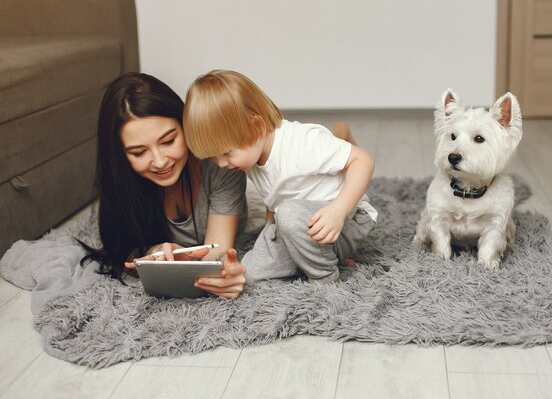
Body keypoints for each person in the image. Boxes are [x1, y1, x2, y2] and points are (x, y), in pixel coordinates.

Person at [183, 70, 377, 285]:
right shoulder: (252, 158)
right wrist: (269, 237)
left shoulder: (302, 142)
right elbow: (275, 197)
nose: (221, 164)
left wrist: (339, 210)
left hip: (347, 219)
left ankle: (326, 278)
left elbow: (363, 160)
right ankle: (325, 257)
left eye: (227, 153)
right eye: (214, 157)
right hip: (298, 227)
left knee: (288, 214)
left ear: (256, 127)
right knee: (251, 274)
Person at [80, 72, 247, 298]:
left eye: (169, 141)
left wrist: (226, 276)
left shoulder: (220, 163)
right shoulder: (122, 181)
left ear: (185, 125)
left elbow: (216, 255)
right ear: (119, 156)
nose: (160, 162)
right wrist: (156, 252)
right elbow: (124, 247)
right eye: (139, 152)